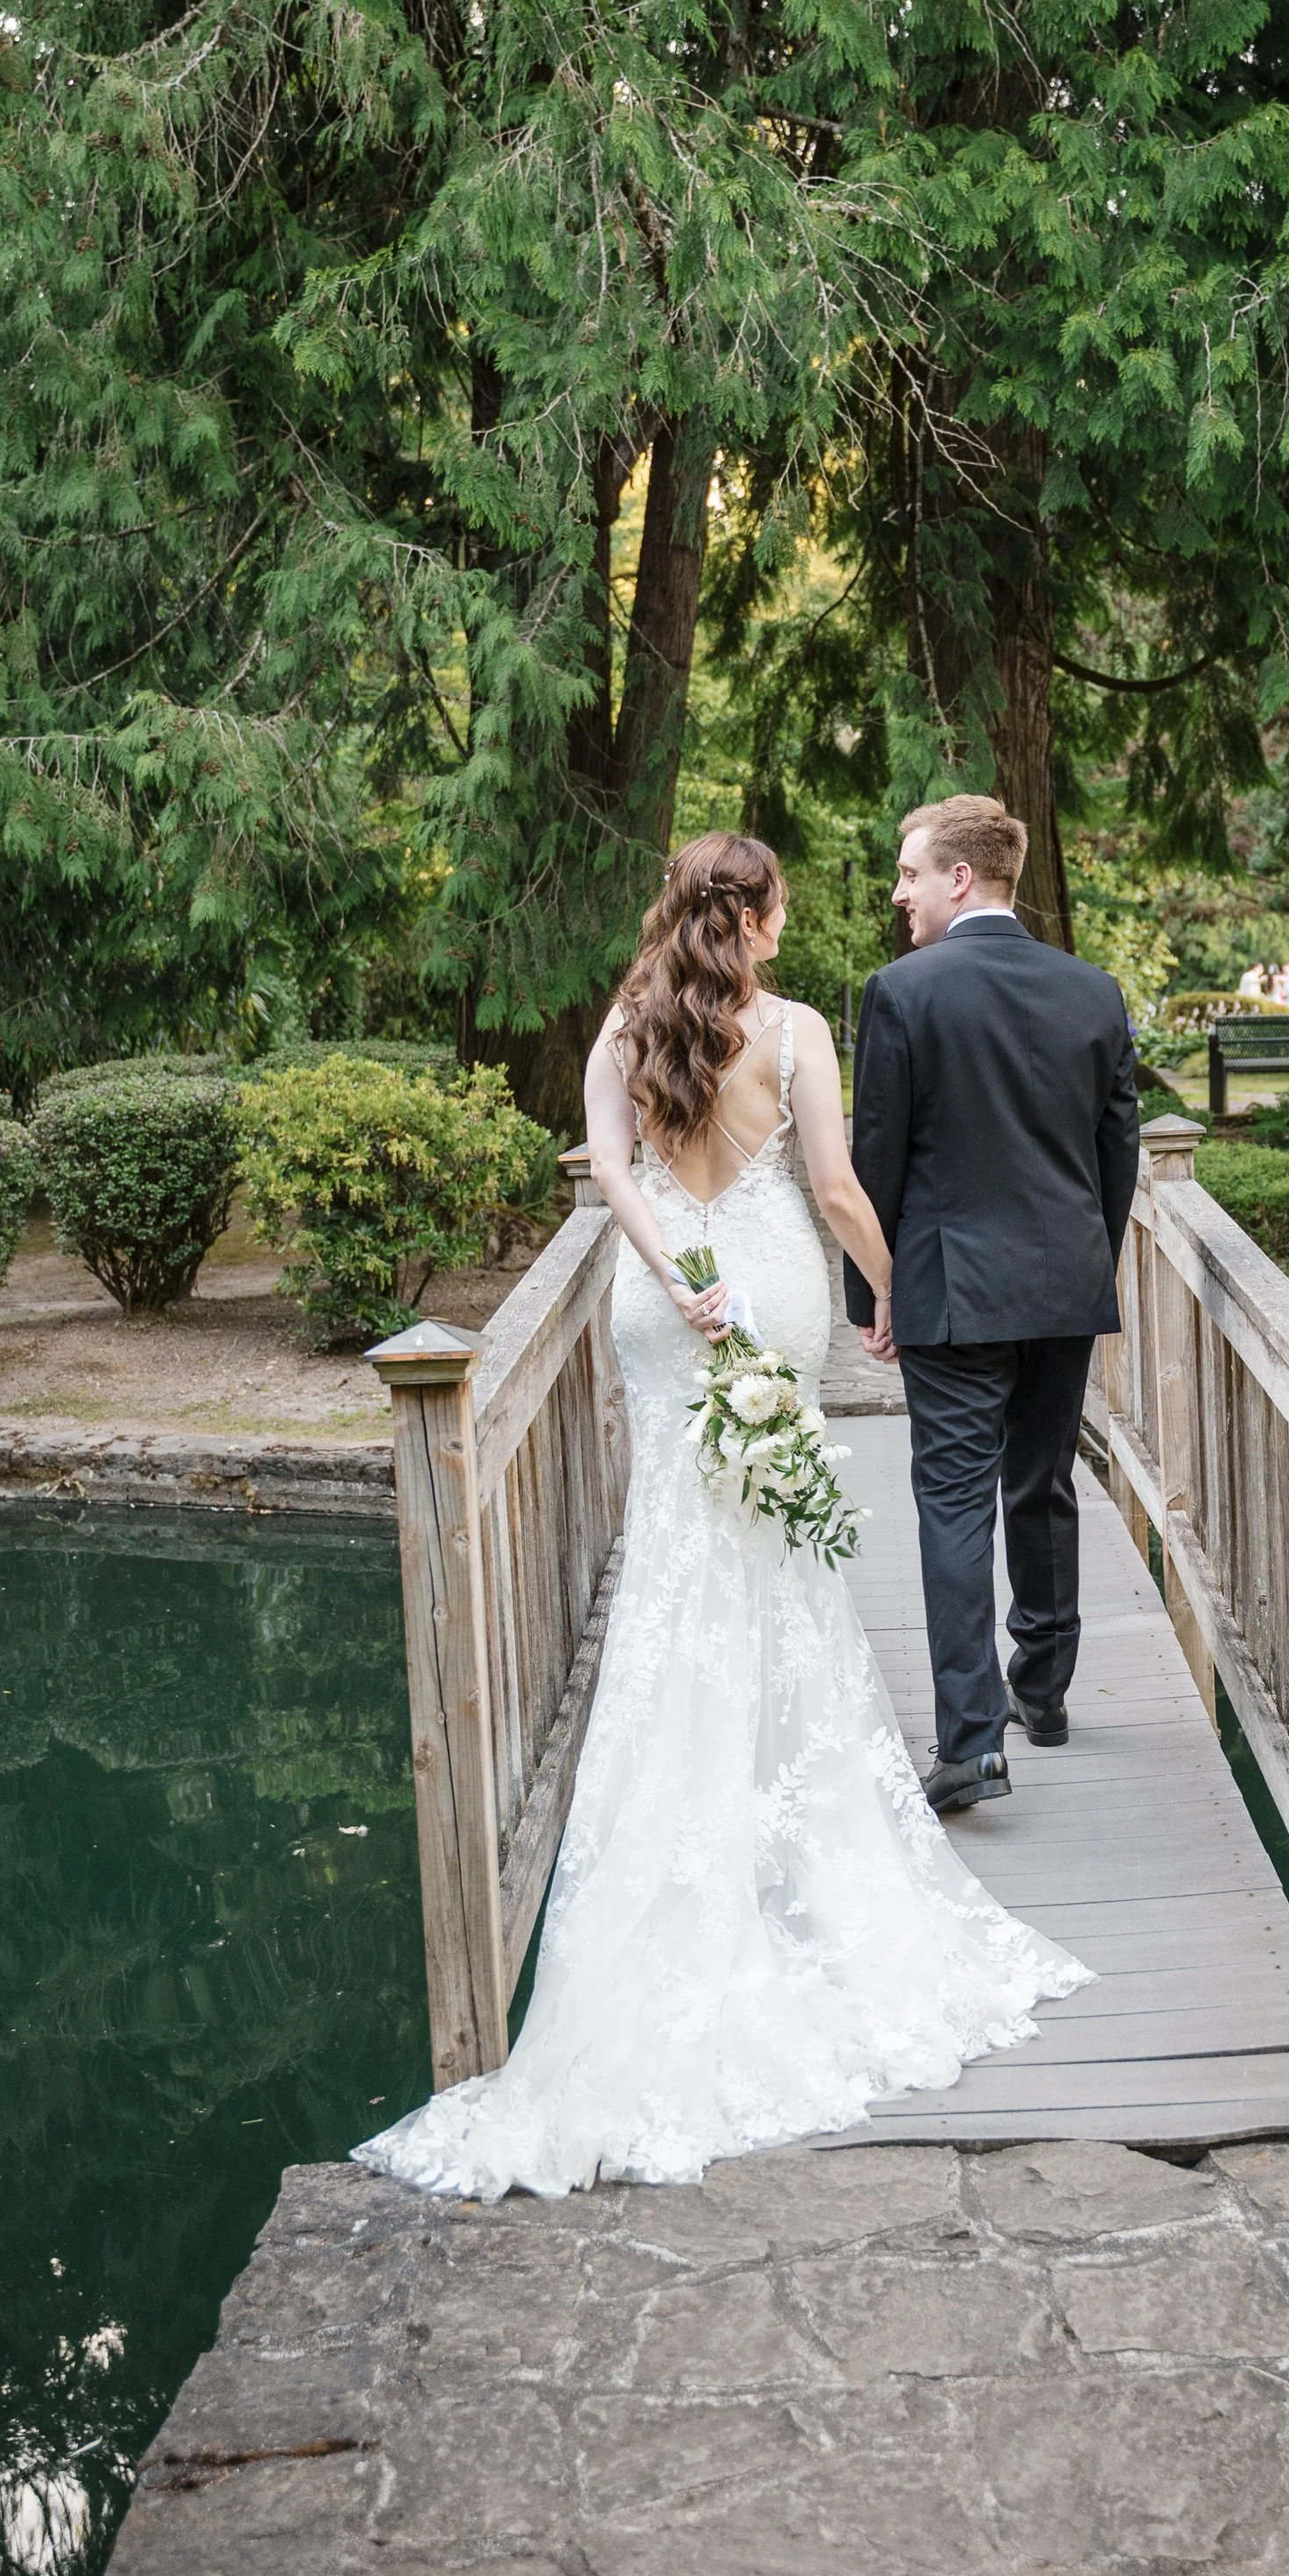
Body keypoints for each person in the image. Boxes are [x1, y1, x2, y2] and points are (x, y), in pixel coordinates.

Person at [352, 831, 1087, 2201]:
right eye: (781, 909)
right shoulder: (800, 1030)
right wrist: (895, 1295)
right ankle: (787, 1827)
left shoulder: (625, 1025)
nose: (789, 926)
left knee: (677, 1548)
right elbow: (835, 1190)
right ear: (748, 916)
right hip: (776, 1290)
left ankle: (685, 1832)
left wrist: (680, 1277)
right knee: (776, 1550)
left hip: (663, 1303)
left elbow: (613, 1175)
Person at [843, 797, 1140, 1813]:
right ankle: (1045, 1691)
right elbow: (1117, 1156)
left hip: (951, 1288)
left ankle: (971, 1743)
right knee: (1044, 1482)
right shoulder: (1093, 992)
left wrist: (871, 1290)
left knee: (954, 1502)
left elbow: (874, 1155)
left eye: (909, 874)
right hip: (1064, 1283)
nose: (899, 893)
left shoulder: (901, 993)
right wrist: (1081, 1263)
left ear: (959, 877)